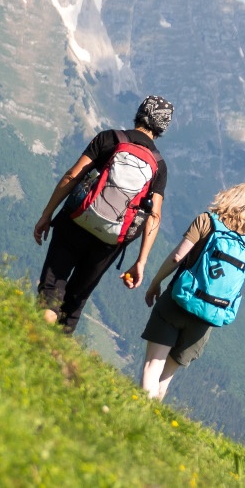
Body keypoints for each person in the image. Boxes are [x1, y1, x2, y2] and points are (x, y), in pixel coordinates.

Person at [32, 96, 174, 334]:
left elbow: (72, 175)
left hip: (75, 221)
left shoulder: (109, 138)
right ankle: (52, 353)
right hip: (110, 240)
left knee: (52, 287)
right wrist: (141, 261)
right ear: (163, 127)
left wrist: (47, 213)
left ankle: (37, 330)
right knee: (75, 300)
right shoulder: (159, 166)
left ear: (139, 113)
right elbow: (154, 216)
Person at [138, 183, 245, 400]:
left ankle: (135, 417)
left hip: (177, 303)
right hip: (207, 317)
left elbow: (177, 257)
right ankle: (148, 425)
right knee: (165, 378)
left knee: (153, 366)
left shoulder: (207, 221)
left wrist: (155, 283)